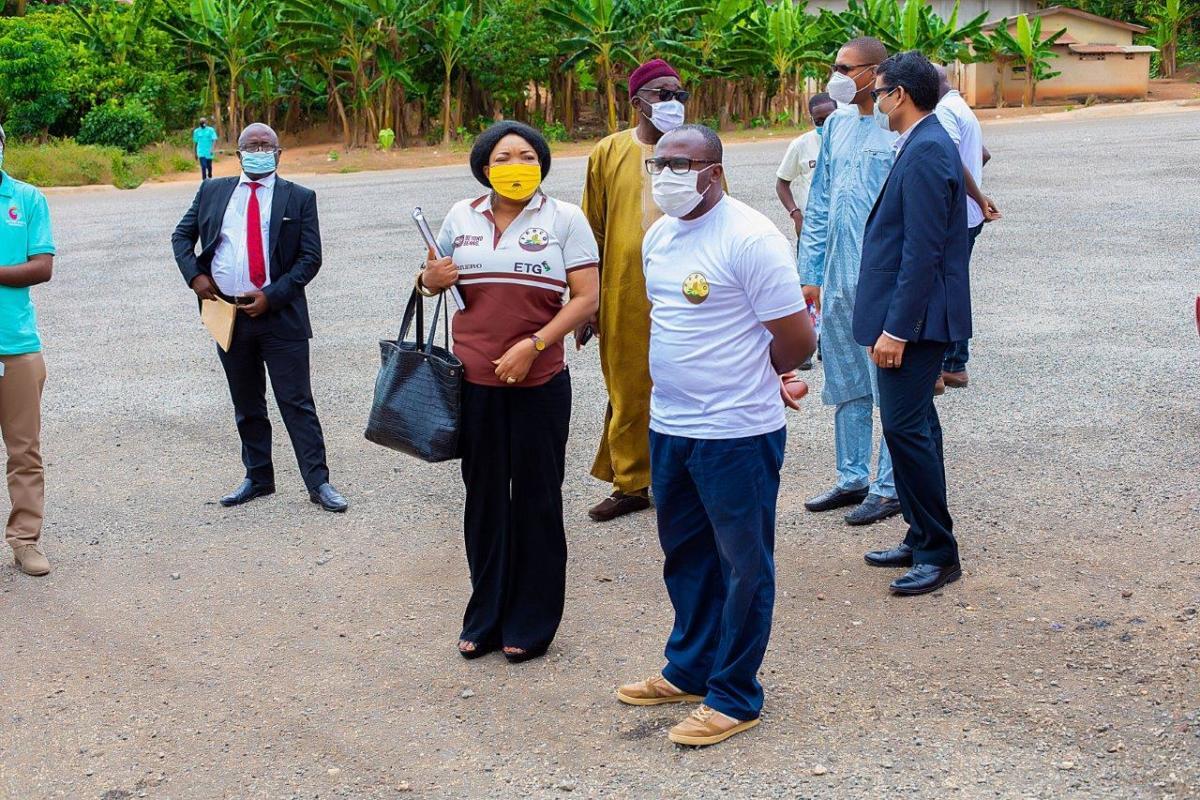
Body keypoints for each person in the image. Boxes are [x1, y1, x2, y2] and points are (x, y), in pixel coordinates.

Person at [616, 125, 815, 747]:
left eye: (682, 164)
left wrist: (764, 373)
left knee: (742, 565)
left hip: (735, 430)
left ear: (715, 171)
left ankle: (734, 695)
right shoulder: (659, 236)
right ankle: (690, 668)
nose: (666, 175)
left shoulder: (751, 237)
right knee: (686, 555)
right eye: (658, 164)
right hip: (671, 425)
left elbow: (798, 339)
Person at [421, 121, 600, 663]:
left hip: (539, 383)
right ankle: (487, 614)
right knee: (485, 500)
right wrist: (429, 280)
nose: (515, 165)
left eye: (527, 156)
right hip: (472, 384)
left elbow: (587, 298)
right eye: (503, 157)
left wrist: (535, 345)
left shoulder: (564, 218)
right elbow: (429, 278)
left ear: (541, 165)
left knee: (537, 499)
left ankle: (532, 620)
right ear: (484, 166)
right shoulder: (461, 215)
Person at [172, 123, 347, 513]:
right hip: (229, 314)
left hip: (280, 316)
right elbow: (181, 237)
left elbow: (310, 258)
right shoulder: (212, 191)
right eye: (251, 146)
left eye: (266, 145)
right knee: (246, 401)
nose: (259, 151)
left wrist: (272, 296)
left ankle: (318, 483)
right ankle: (258, 477)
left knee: (296, 402)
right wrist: (195, 277)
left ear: (279, 153)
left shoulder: (299, 198)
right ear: (238, 154)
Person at [855, 51, 970, 596]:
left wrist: (897, 329)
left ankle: (938, 553)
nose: (875, 101)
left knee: (905, 431)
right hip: (915, 317)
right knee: (917, 427)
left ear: (899, 94)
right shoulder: (921, 142)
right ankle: (922, 533)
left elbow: (922, 252)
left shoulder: (926, 149)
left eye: (878, 92)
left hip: (915, 323)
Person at [581, 58, 688, 523]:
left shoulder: (693, 147)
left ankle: (680, 478)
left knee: (685, 382)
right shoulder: (608, 151)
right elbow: (591, 230)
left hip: (688, 291)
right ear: (636, 101)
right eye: (663, 94)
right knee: (627, 387)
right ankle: (630, 484)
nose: (673, 102)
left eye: (679, 95)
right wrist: (587, 302)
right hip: (624, 291)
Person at [799, 37, 901, 527]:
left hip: (882, 274)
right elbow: (819, 201)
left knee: (889, 384)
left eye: (846, 68)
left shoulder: (897, 125)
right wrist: (810, 272)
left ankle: (890, 486)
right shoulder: (836, 125)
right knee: (844, 376)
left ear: (875, 72)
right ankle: (852, 476)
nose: (836, 76)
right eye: (835, 66)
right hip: (838, 275)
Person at [0, 123, 56, 577]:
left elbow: (42, 266)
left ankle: (24, 541)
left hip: (16, 346)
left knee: (24, 451)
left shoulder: (27, 198)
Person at [932, 64, 1000, 391]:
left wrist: (974, 195)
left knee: (944, 287)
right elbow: (982, 154)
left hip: (955, 215)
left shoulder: (944, 112)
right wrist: (977, 195)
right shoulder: (959, 106)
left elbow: (948, 160)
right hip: (967, 214)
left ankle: (950, 364)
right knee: (952, 284)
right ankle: (954, 362)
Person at [775, 92, 838, 237]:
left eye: (830, 119)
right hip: (812, 226)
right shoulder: (800, 145)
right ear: (812, 119)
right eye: (819, 121)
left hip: (842, 222)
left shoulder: (849, 141)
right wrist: (796, 215)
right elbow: (782, 184)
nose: (825, 125)